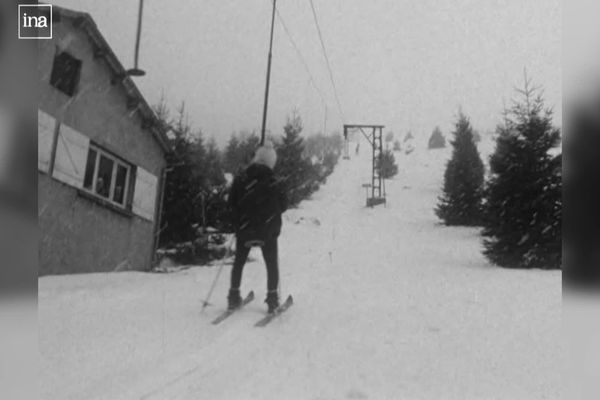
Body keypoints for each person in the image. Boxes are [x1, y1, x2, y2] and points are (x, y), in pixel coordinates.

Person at [227, 140, 287, 313]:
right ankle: (272, 299)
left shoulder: (241, 179)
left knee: (239, 262)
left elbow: (232, 202)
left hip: (245, 228)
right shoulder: (274, 181)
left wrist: (240, 219)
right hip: (267, 231)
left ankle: (233, 296)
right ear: (271, 162)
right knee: (271, 263)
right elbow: (283, 205)